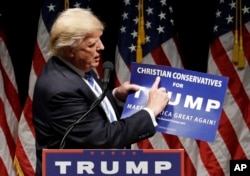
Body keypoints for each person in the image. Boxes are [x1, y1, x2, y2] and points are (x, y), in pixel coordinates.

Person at [32, 8, 169, 176]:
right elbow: (101, 139)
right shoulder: (60, 89)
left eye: (99, 40)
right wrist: (151, 111)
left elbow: (87, 110)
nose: (101, 47)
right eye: (91, 44)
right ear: (70, 50)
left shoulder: (74, 68)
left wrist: (116, 96)